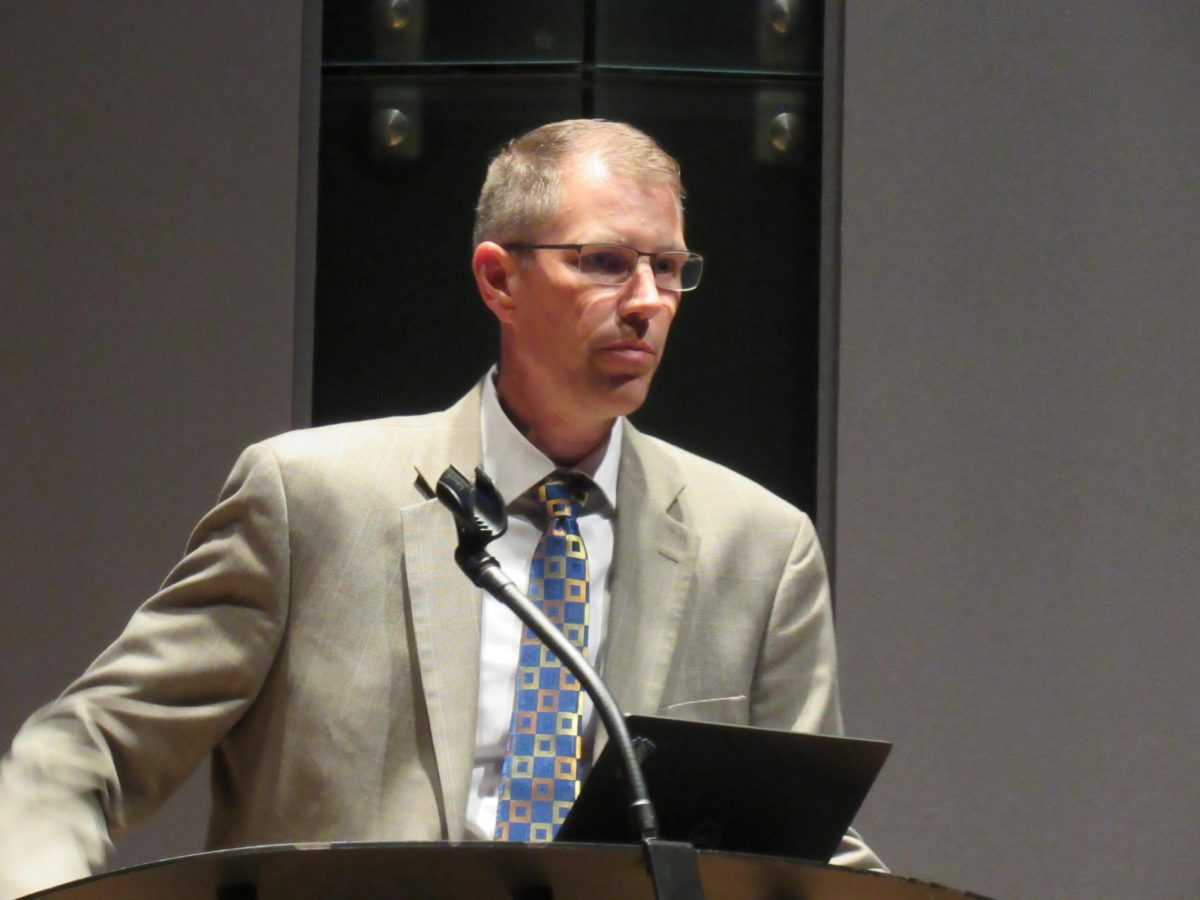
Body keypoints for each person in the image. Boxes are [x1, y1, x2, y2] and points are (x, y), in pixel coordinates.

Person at [0, 119, 882, 897]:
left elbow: (800, 851)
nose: (648, 302)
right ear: (499, 281)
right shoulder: (309, 501)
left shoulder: (760, 549)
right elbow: (87, 747)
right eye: (607, 263)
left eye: (668, 268)